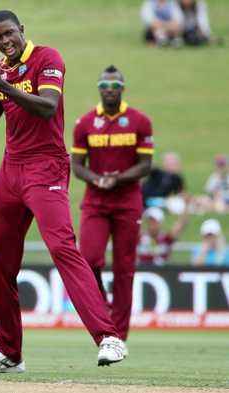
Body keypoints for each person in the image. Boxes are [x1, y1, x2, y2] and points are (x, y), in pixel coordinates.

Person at [0, 10, 126, 372]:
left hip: (47, 167)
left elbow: (48, 107)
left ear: (22, 30)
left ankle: (109, 337)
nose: (5, 41)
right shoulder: (1, 68)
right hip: (12, 171)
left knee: (61, 246)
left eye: (9, 33)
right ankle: (10, 353)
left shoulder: (47, 58)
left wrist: (5, 85)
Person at [72, 65, 153, 349]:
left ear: (122, 89)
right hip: (96, 201)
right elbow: (77, 167)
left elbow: (145, 165)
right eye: (105, 85)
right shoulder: (84, 123)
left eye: (115, 86)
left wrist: (117, 179)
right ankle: (103, 308)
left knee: (124, 269)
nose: (110, 90)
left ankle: (118, 336)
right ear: (99, 88)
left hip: (127, 203)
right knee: (89, 259)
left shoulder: (139, 121)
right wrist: (97, 179)